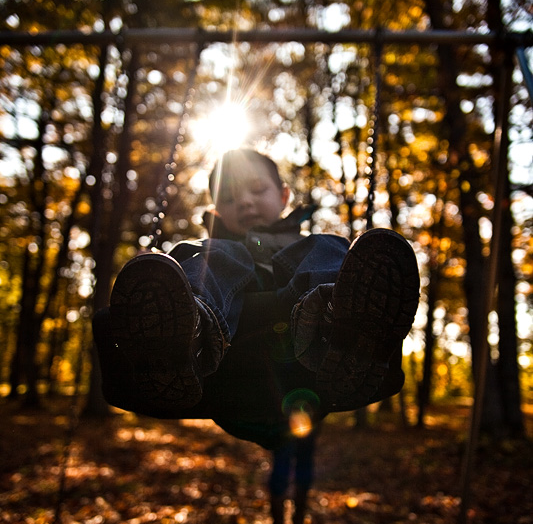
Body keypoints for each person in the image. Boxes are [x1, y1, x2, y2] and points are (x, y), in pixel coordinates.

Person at [107, 147, 420, 420]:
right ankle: (183, 335)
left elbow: (327, 256)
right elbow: (190, 264)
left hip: (309, 356)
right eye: (228, 198)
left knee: (329, 246)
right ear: (216, 210)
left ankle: (343, 331)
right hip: (217, 363)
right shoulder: (210, 251)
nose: (244, 201)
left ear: (284, 196)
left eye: (257, 190)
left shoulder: (307, 246)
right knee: (197, 256)